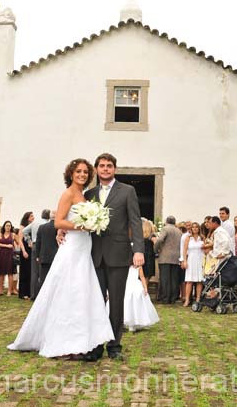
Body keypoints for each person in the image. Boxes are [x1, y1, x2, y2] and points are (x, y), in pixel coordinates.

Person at [8, 158, 114, 358]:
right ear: (71, 174)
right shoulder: (67, 194)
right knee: (70, 289)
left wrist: (91, 223)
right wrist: (82, 226)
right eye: (78, 172)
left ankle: (81, 339)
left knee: (82, 291)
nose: (82, 175)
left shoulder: (83, 195)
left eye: (85, 172)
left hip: (84, 246)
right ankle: (63, 340)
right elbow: (58, 222)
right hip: (73, 247)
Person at [84, 153, 144, 361]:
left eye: (109, 166)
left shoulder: (127, 191)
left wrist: (138, 250)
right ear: (97, 169)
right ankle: (95, 346)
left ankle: (114, 345)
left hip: (118, 254)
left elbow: (135, 222)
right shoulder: (89, 193)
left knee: (116, 303)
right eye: (102, 166)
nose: (105, 169)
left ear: (115, 169)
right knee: (95, 302)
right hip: (94, 255)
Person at [153, 216, 182, 304]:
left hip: (165, 256)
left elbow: (160, 239)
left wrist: (156, 249)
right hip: (176, 256)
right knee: (174, 278)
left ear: (166, 221)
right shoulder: (179, 231)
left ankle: (165, 298)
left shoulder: (165, 229)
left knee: (165, 278)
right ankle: (173, 298)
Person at [123, 264, 159, 332]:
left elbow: (142, 277)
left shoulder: (138, 266)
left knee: (136, 305)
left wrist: (145, 287)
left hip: (136, 286)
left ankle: (134, 323)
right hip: (126, 285)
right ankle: (125, 322)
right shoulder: (124, 265)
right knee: (126, 304)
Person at [28, 209, 50, 299]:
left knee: (34, 272)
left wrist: (29, 240)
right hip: (42, 246)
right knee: (42, 271)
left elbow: (24, 231)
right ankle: (41, 295)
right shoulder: (46, 224)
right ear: (48, 216)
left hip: (34, 245)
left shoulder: (34, 222)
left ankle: (33, 294)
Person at [182, 222, 204, 306]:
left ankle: (198, 298)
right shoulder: (188, 238)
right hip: (190, 259)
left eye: (196, 227)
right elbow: (184, 250)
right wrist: (184, 260)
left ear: (199, 229)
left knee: (199, 280)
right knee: (189, 280)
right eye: (193, 227)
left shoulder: (202, 238)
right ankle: (187, 299)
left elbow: (205, 249)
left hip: (199, 259)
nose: (195, 229)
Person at [35, 210, 58, 288]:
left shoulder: (42, 227)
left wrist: (37, 255)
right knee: (55, 278)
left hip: (44, 256)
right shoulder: (58, 227)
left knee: (44, 278)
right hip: (56, 256)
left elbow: (38, 242)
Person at [0, 220, 15, 296]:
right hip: (1, 254)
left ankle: (9, 291)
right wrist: (7, 246)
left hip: (10, 255)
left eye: (9, 226)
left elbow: (18, 243)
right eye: (7, 225)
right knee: (1, 273)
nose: (8, 227)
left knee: (10, 273)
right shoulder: (1, 234)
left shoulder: (13, 235)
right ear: (4, 226)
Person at [18, 211, 33, 299]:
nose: (33, 217)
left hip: (30, 249)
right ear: (27, 218)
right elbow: (20, 240)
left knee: (30, 271)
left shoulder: (31, 226)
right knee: (24, 271)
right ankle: (23, 293)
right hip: (25, 249)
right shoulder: (22, 227)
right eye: (31, 216)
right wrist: (24, 251)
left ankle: (29, 292)